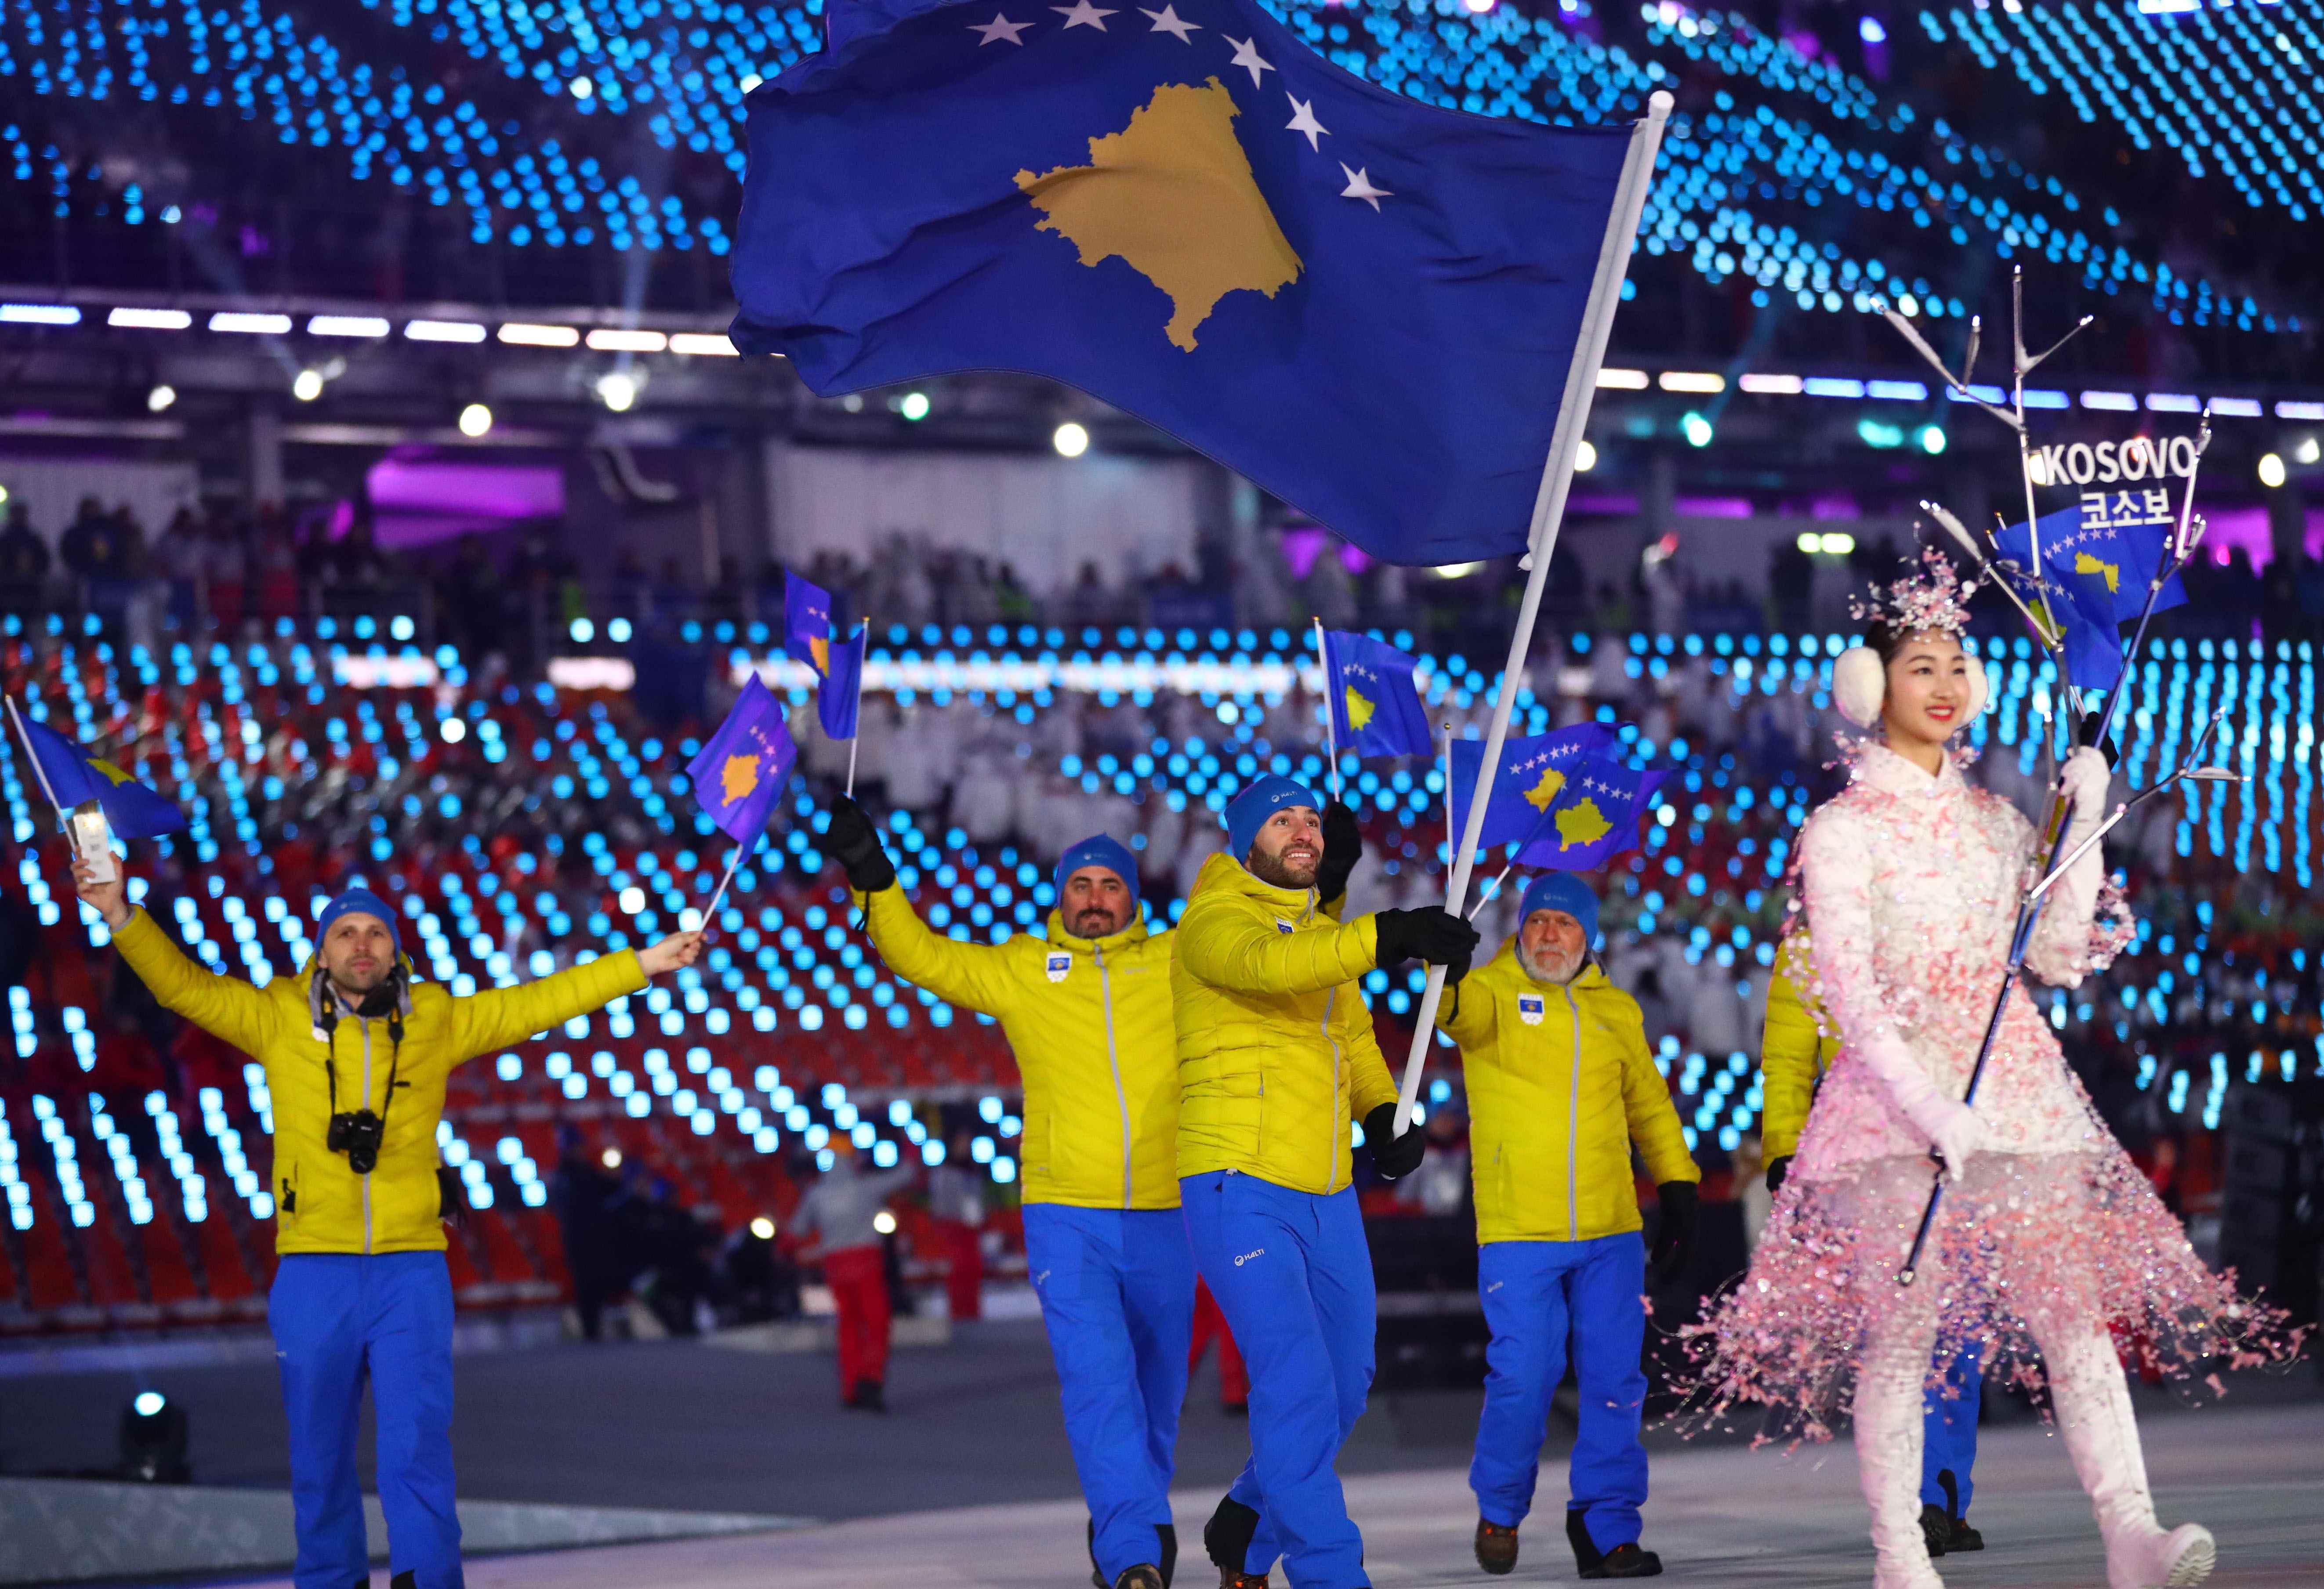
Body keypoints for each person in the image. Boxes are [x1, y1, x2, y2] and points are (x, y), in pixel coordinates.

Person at [1684, 553, 2289, 1589]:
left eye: (1957, 661)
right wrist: (1923, 1104)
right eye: (1919, 664)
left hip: (2014, 1092)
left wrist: (2084, 823)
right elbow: (1847, 996)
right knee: (1902, 1334)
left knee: (2071, 1318)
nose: (1944, 681)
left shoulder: (1997, 821)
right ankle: (1899, 1556)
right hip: (1889, 1115)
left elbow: (2055, 953)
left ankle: (2130, 1534)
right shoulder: (1837, 830)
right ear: (1869, 687)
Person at [71, 862, 700, 1589]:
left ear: (395, 949)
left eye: (374, 932)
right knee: (317, 1459)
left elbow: (538, 1002)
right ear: (322, 950)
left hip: (410, 1270)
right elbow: (181, 985)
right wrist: (121, 913)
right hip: (313, 1269)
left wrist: (643, 964)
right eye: (344, 933)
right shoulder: (276, 1017)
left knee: (417, 1452)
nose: (361, 944)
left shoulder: (435, 1019)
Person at [827, 799, 1188, 1589]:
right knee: (1098, 1383)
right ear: (1060, 897)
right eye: (1079, 885)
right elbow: (920, 956)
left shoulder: (1177, 962)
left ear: (1134, 899)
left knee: (1156, 1395)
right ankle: (1133, 1551)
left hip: (1171, 1213)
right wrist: (871, 877)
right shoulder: (1024, 968)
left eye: (1109, 886)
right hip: (1067, 1213)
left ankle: (1128, 1515)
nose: (1093, 898)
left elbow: (1267, 957)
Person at [1174, 775, 1477, 1589]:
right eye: (1281, 820)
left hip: (1324, 1189)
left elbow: (1349, 1035)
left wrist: (1381, 1113)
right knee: (1297, 1381)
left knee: (1345, 1382)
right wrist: (1385, 934)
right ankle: (1330, 1574)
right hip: (1234, 1181)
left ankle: (1246, 1516)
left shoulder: (1319, 930)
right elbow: (1272, 965)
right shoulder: (1212, 918)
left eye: (1310, 818)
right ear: (1246, 842)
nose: (1301, 829)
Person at [1439, 872, 1698, 1582]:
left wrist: (1677, 1185)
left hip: (1610, 1229)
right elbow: (1449, 1012)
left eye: (1564, 923)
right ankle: (1499, 1504)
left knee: (1615, 1380)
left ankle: (1604, 1524)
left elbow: (1647, 1103)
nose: (1549, 934)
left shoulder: (1615, 1009)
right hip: (1519, 1229)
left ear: (1588, 936)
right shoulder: (1488, 993)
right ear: (1517, 930)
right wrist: (1447, 960)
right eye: (1537, 922)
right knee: (1523, 1373)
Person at [1760, 930, 1986, 1559]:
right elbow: (1785, 1060)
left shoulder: (1941, 917)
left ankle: (1945, 1496)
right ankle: (1920, 1502)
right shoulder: (1812, 946)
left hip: (1952, 1160)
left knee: (1958, 1340)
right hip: (1870, 1166)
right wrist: (1783, 1147)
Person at [790, 1135, 917, 1412]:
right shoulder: (866, 1188)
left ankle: (850, 1387)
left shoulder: (816, 1194)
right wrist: (910, 1141)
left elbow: (796, 1231)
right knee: (876, 1323)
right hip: (867, 1265)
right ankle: (871, 1380)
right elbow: (908, 1173)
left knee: (847, 1327)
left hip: (835, 1268)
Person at [927, 1129, 987, 1323]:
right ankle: (959, 1316)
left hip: (971, 1229)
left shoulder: (973, 1169)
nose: (964, 1147)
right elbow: (939, 1204)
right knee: (957, 1273)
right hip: (952, 1229)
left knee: (972, 1271)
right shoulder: (944, 1172)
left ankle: (973, 1314)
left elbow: (978, 1199)